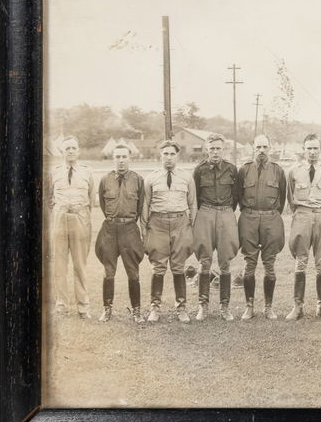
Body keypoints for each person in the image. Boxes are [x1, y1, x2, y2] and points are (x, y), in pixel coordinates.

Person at [285, 133, 321, 320]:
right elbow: (290, 197)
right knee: (301, 260)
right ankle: (297, 307)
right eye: (309, 148)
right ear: (303, 149)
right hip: (302, 215)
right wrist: (302, 212)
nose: (312, 152)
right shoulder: (294, 171)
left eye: (316, 148)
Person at [143, 140, 196, 323]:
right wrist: (145, 230)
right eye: (165, 154)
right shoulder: (151, 178)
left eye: (172, 154)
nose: (168, 157)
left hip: (180, 222)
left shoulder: (187, 177)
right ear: (160, 155)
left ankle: (181, 308)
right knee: (158, 267)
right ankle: (154, 308)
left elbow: (192, 204)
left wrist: (191, 228)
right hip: (157, 223)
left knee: (178, 267)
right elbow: (145, 205)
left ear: (177, 155)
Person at [236, 135, 286, 321]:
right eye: (258, 146)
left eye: (265, 146)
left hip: (270, 218)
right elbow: (238, 195)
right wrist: (249, 213)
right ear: (253, 148)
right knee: (249, 263)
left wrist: (270, 214)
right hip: (249, 217)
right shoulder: (244, 170)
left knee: (269, 264)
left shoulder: (278, 171)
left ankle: (268, 307)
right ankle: (249, 306)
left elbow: (282, 198)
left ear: (270, 148)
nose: (262, 150)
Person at [95, 144, 147, 322]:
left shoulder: (138, 180)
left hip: (129, 228)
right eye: (117, 157)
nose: (121, 160)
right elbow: (103, 204)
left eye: (124, 156)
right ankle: (107, 309)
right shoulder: (105, 179)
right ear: (113, 158)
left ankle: (137, 311)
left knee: (133, 272)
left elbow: (140, 208)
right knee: (108, 271)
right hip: (110, 229)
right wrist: (114, 220)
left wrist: (128, 222)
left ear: (130, 158)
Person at [190, 134, 238, 322]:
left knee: (225, 260)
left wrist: (225, 212)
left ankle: (224, 306)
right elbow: (196, 197)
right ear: (206, 149)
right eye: (212, 149)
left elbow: (236, 196)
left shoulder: (232, 169)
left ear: (223, 149)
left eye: (218, 148)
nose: (215, 152)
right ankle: (203, 306)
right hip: (206, 212)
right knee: (205, 260)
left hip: (226, 212)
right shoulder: (199, 170)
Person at [47, 136, 94, 319]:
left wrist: (80, 214)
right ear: (62, 151)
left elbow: (91, 198)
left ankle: (83, 307)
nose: (71, 151)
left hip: (80, 218)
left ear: (79, 150)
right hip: (60, 218)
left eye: (74, 148)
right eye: (67, 148)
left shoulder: (87, 172)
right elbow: (49, 198)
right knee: (59, 265)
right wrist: (60, 212)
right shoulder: (54, 172)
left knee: (80, 265)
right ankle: (61, 306)